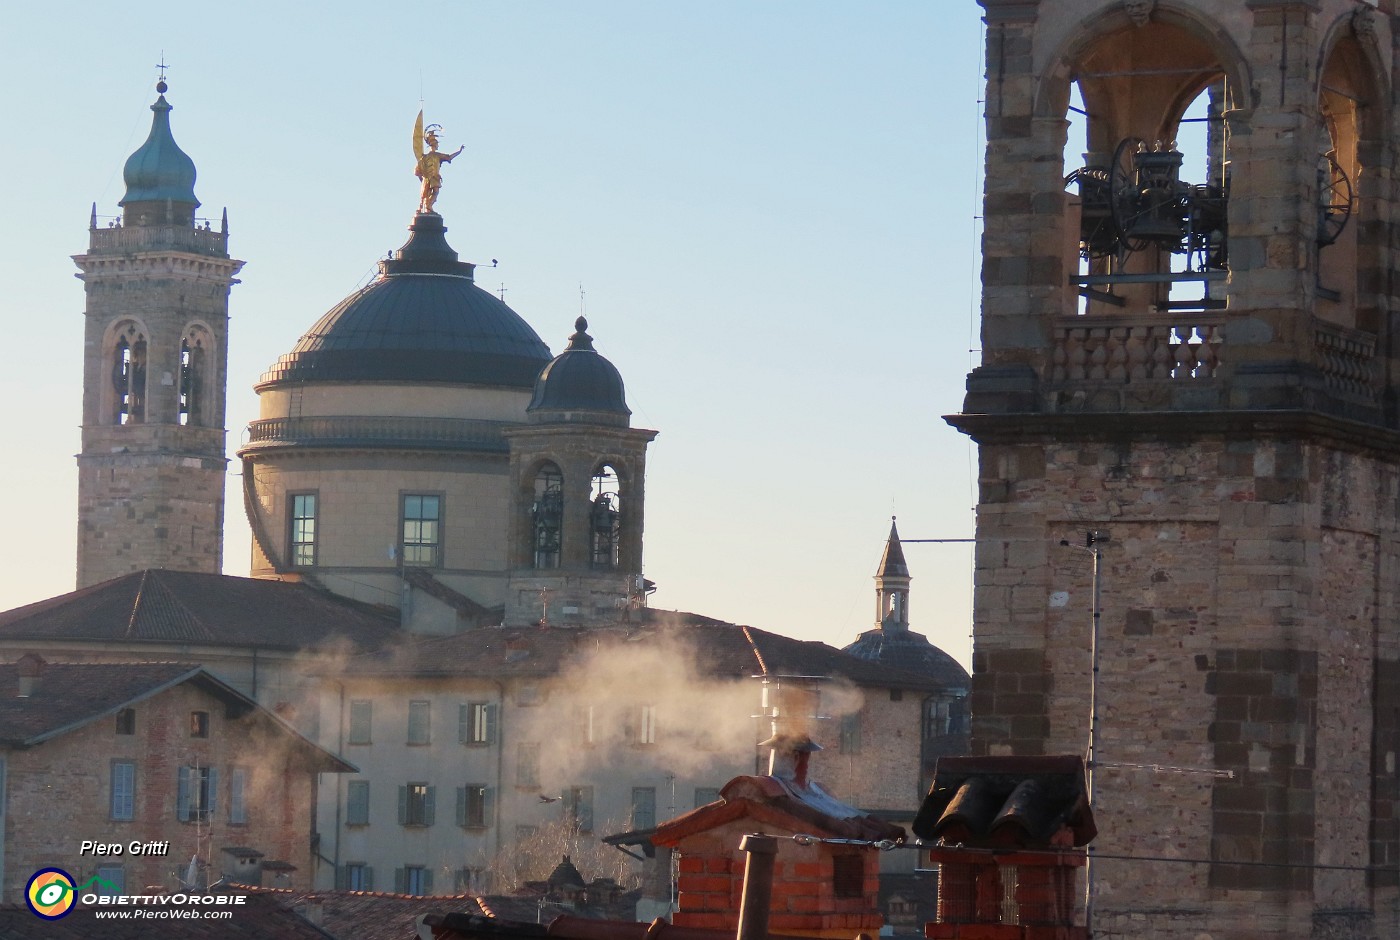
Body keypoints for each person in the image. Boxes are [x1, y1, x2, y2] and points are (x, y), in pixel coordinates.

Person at [416, 126, 464, 214]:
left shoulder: (425, 157)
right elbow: (449, 157)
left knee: (431, 193)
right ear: (435, 145)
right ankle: (426, 206)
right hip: (432, 178)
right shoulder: (433, 156)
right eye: (437, 144)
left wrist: (459, 151)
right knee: (430, 193)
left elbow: (417, 172)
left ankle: (428, 206)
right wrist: (459, 151)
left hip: (431, 178)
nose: (438, 145)